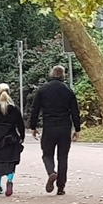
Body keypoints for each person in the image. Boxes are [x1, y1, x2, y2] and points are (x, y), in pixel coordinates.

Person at [29, 65, 81, 195]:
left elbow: (35, 109)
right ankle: (61, 187)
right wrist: (77, 129)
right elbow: (75, 111)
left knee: (47, 153)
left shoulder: (43, 90)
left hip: (49, 126)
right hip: (64, 127)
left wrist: (33, 126)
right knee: (63, 157)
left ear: (51, 74)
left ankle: (51, 172)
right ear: (63, 75)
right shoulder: (68, 90)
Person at [0, 84, 25, 198]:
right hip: (10, 138)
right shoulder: (14, 109)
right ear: (9, 92)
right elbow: (20, 125)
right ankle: (10, 180)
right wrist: (22, 136)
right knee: (11, 161)